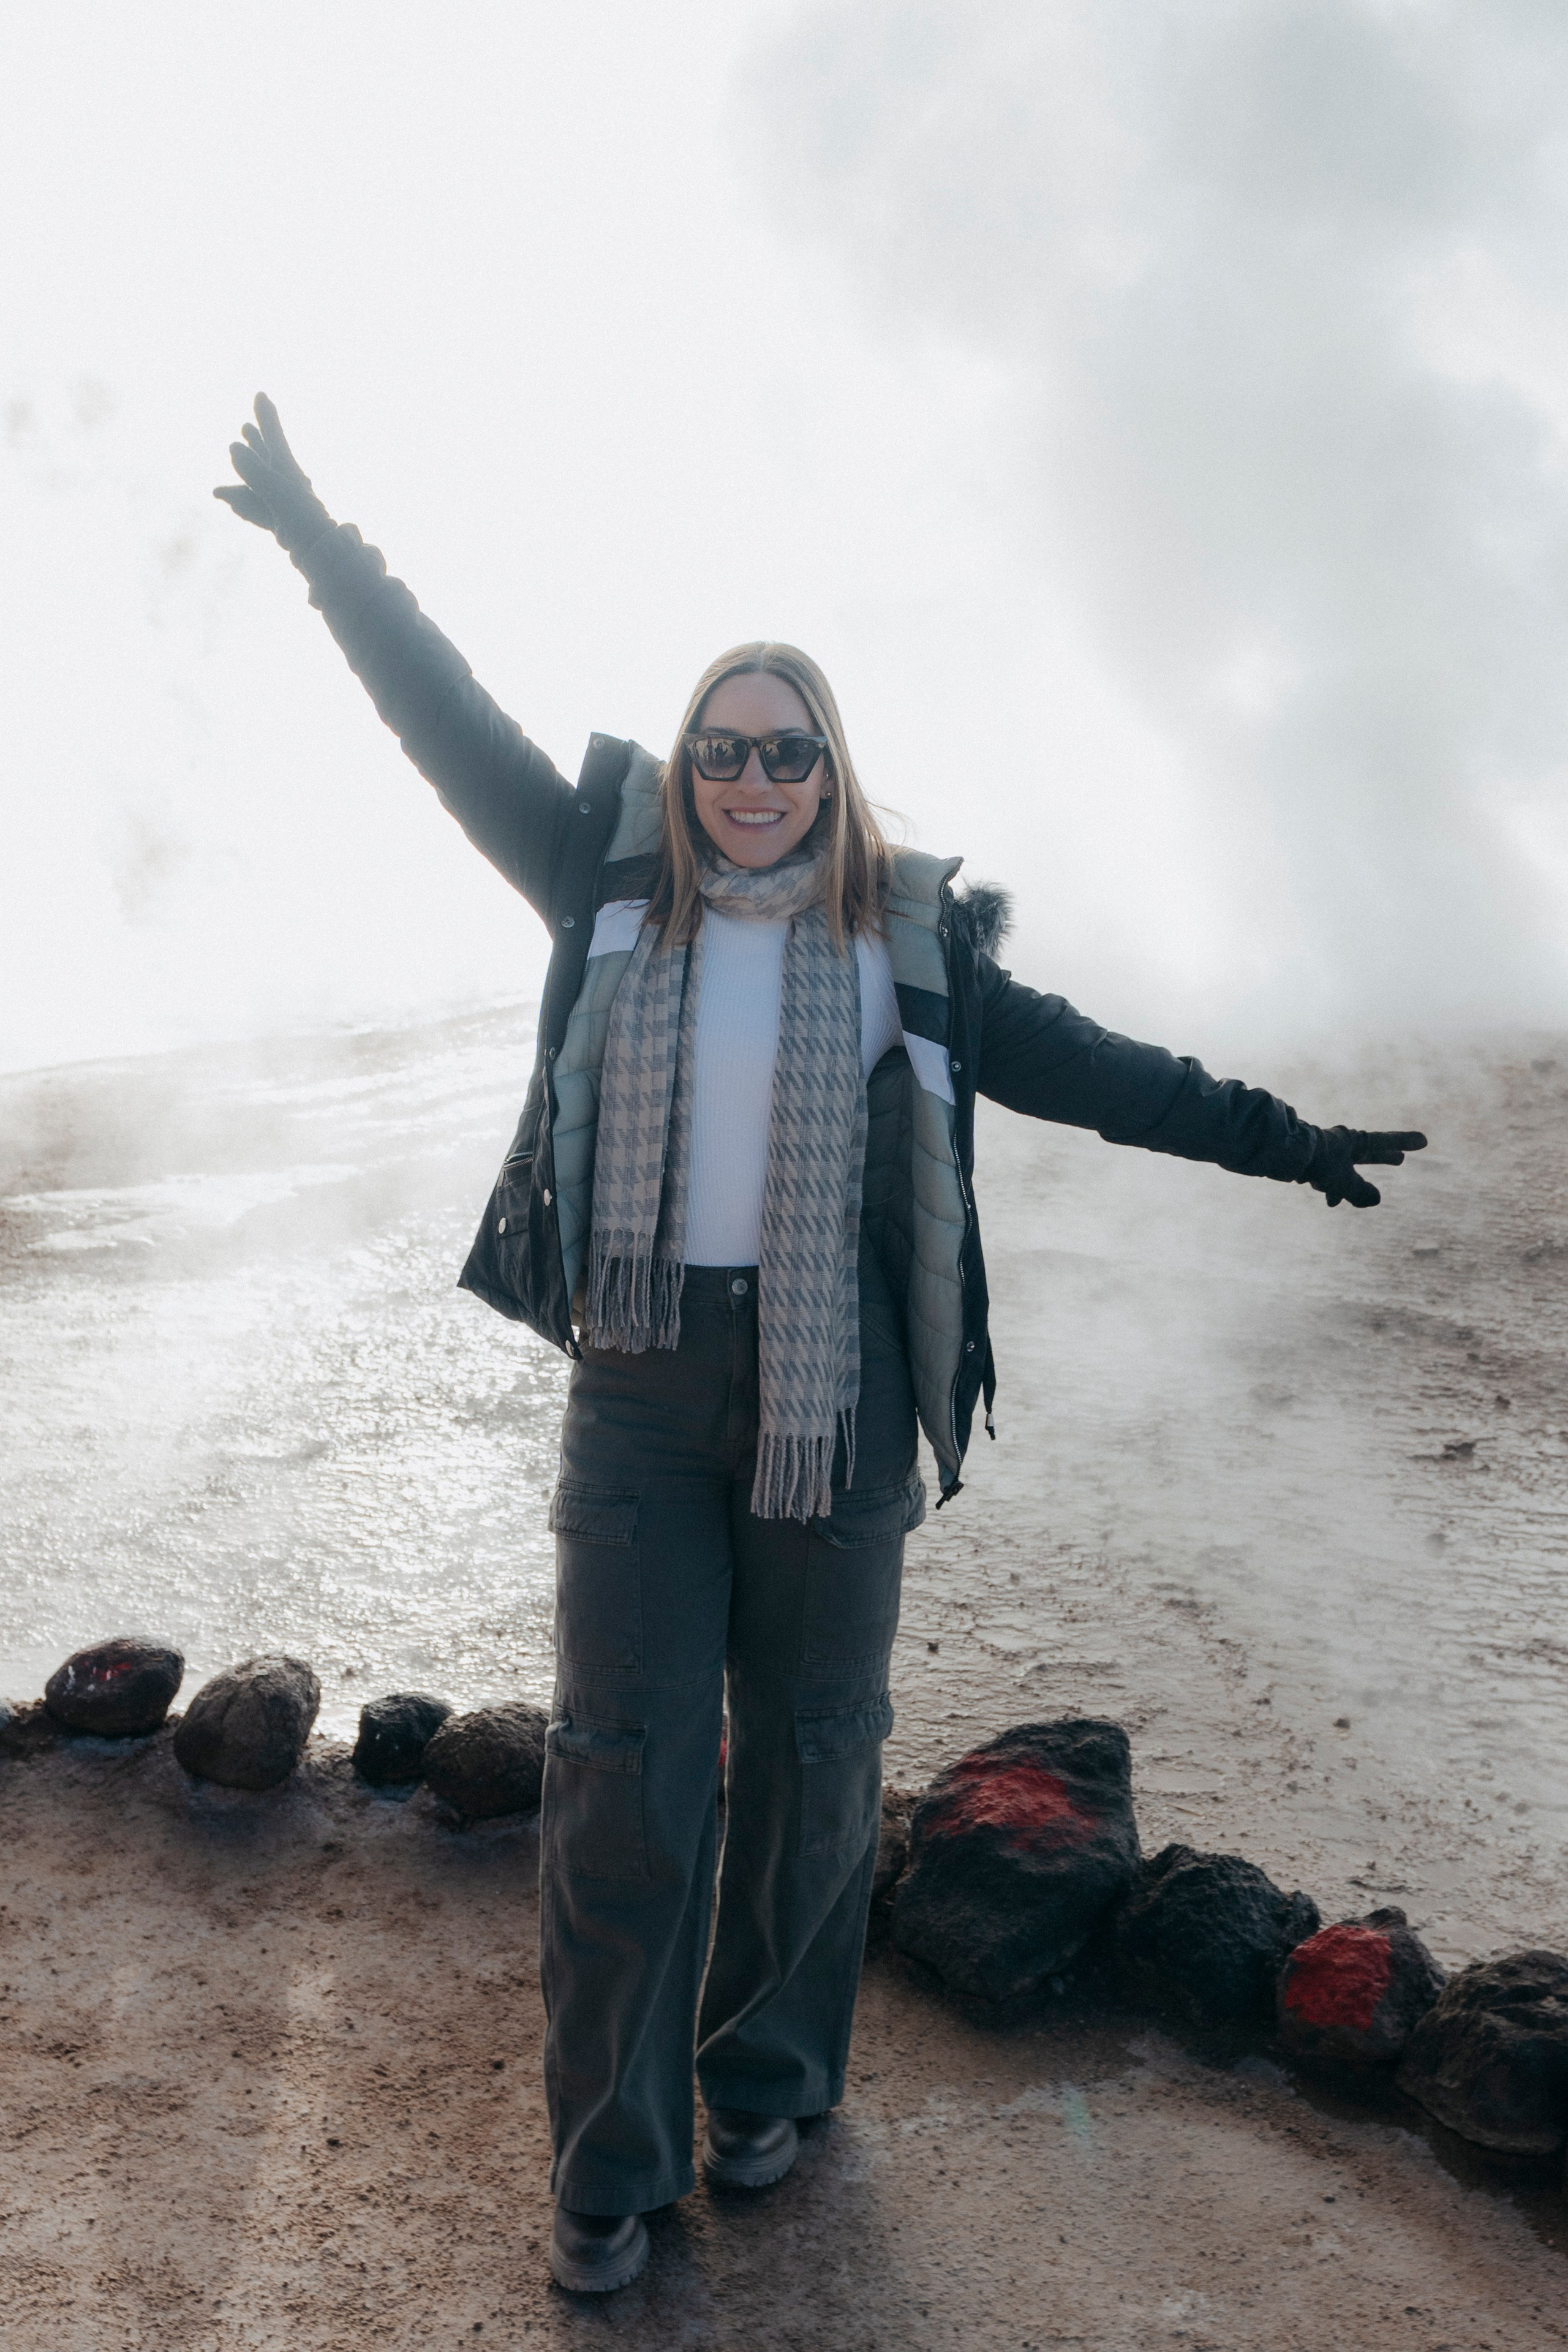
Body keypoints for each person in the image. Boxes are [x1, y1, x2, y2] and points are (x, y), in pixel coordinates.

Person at [216, 396, 1426, 2293]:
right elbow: (443, 713)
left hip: (833, 1393)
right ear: (687, 767)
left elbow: (1098, 1072)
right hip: (635, 1386)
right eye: (723, 749)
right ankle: (609, 2166)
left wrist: (1286, 1140)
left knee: (813, 1747)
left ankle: (771, 2078)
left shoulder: (908, 947)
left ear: (832, 769)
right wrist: (319, 542)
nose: (752, 777)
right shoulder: (605, 884)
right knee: (625, 1768)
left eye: (786, 752)